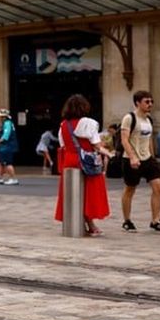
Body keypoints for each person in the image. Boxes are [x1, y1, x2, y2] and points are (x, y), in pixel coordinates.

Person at [54, 94, 111, 237]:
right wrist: (109, 153)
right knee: (89, 193)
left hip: (69, 160)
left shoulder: (63, 125)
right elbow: (96, 145)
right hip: (85, 160)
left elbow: (62, 145)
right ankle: (91, 224)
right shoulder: (88, 122)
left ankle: (74, 221)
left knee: (71, 192)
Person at [119, 90, 160, 233]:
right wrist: (132, 157)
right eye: (147, 102)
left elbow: (149, 140)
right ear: (137, 103)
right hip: (131, 158)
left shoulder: (149, 119)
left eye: (151, 101)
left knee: (158, 187)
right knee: (130, 188)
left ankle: (156, 220)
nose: (150, 104)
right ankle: (127, 220)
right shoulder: (129, 118)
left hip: (147, 158)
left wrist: (153, 157)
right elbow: (124, 139)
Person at [0, 109, 19, 185]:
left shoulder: (7, 123)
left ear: (4, 117)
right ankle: (0, 177)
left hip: (7, 146)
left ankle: (13, 178)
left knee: (7, 163)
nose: (0, 118)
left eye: (1, 116)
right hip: (3, 147)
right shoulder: (6, 123)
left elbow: (6, 135)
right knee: (0, 162)